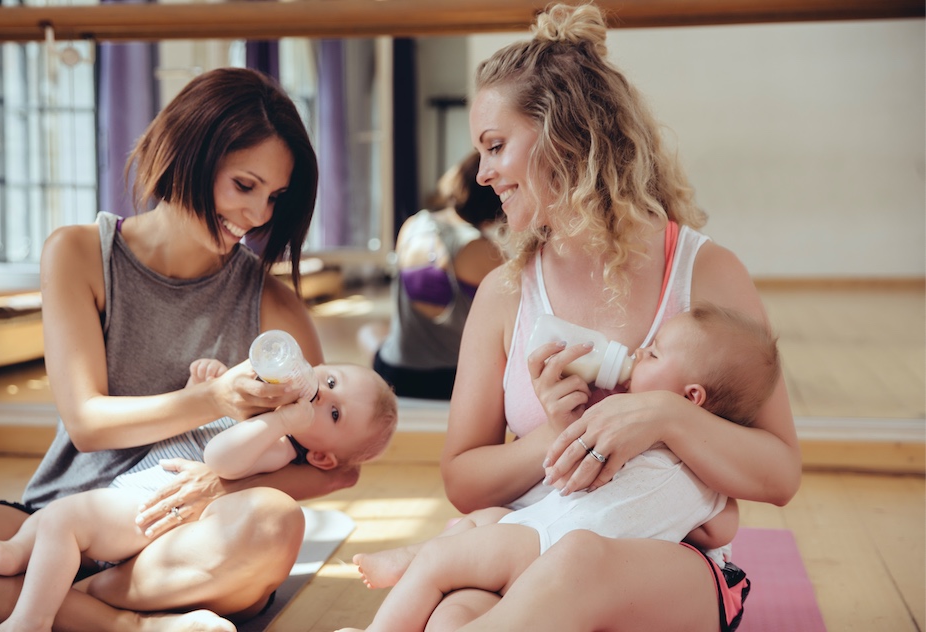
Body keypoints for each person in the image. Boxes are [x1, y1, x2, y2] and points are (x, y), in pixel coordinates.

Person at [0, 67, 357, 632]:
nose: (258, 217)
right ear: (188, 154)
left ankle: (16, 602)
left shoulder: (275, 306)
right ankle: (123, 624)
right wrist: (214, 399)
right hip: (61, 517)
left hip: (178, 542)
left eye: (275, 197)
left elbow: (334, 468)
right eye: (244, 185)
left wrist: (219, 484)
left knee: (276, 523)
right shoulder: (80, 255)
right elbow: (88, 423)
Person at [427, 3, 801, 630]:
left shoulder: (706, 274)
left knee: (578, 568)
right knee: (452, 616)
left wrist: (663, 416)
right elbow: (463, 479)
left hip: (668, 563)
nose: (484, 172)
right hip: (534, 538)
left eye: (496, 147)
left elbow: (780, 473)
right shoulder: (505, 293)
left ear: (564, 137)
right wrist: (558, 435)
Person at [343, 303, 780, 632]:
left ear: (691, 398)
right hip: (535, 534)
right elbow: (717, 527)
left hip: (548, 546)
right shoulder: (629, 436)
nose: (638, 352)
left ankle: (398, 591)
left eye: (653, 354)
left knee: (444, 559)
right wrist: (559, 428)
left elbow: (722, 525)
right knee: (460, 587)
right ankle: (421, 567)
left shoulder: (682, 452)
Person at [0, 357, 397, 632]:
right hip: (130, 494)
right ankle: (11, 559)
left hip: (152, 507)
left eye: (334, 413)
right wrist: (206, 387)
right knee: (51, 520)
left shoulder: (279, 445)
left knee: (63, 521)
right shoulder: (263, 405)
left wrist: (277, 423)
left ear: (320, 458)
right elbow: (196, 423)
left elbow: (219, 458)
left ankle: (32, 619)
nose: (322, 397)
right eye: (331, 381)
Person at [359, 150, 505, 399]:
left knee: (369, 330)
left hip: (394, 371)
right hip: (449, 379)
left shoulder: (414, 223)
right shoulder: (479, 249)